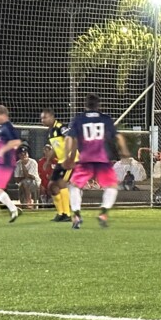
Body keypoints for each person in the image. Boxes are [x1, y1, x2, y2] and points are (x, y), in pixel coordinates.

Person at [63, 93, 129, 228]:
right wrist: (124, 150)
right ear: (99, 105)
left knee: (74, 186)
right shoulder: (106, 119)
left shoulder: (78, 119)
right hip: (102, 160)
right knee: (112, 187)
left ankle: (76, 215)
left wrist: (66, 157)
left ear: (85, 105)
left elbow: (69, 139)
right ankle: (103, 213)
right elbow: (119, 137)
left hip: (85, 160)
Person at [41, 109, 74, 222]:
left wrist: (68, 158)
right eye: (41, 118)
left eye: (45, 118)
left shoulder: (61, 127)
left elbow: (70, 140)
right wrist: (47, 161)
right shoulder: (50, 132)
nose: (42, 120)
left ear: (52, 117)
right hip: (61, 161)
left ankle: (67, 214)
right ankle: (60, 213)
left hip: (69, 160)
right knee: (51, 186)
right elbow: (55, 148)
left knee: (60, 183)